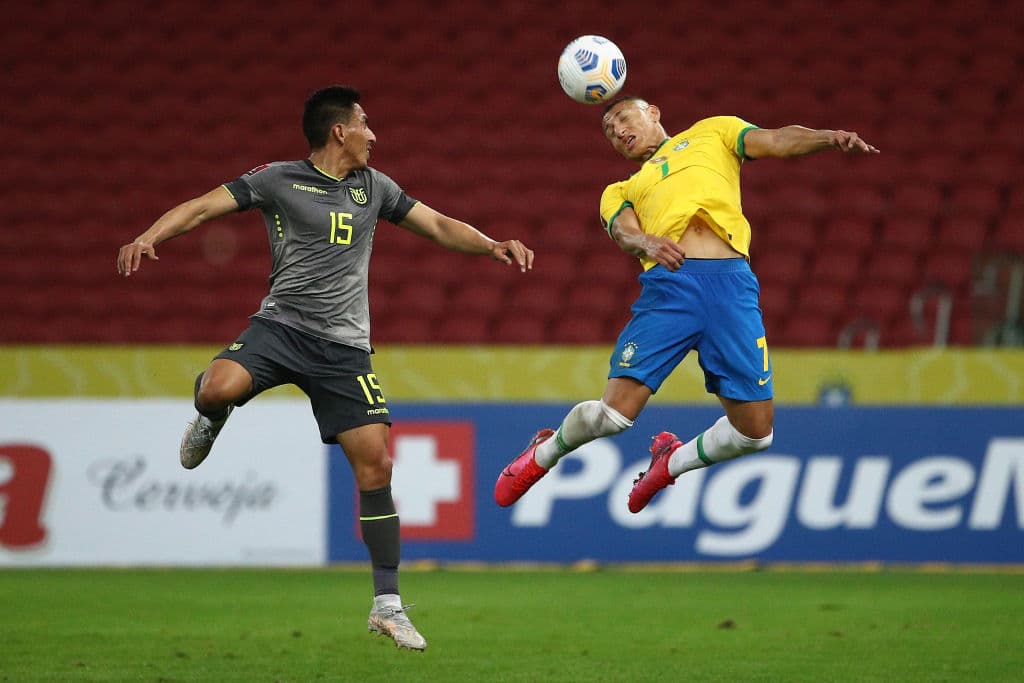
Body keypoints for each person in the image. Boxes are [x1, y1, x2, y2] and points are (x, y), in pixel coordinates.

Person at [117, 85, 534, 651]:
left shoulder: (375, 188)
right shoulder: (276, 179)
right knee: (217, 389)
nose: (374, 134)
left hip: (343, 349)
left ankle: (387, 604)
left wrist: (491, 245)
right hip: (280, 329)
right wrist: (149, 235)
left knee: (377, 468)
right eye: (366, 123)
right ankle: (210, 420)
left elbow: (435, 224)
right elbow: (201, 207)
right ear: (340, 130)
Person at [494, 95, 877, 514]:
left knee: (755, 435)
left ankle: (669, 463)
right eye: (609, 130)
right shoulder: (621, 189)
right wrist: (646, 241)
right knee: (615, 416)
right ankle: (544, 452)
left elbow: (778, 140)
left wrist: (828, 138)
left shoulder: (715, 131)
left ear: (653, 112)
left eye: (623, 117)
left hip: (732, 289)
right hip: (671, 287)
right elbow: (623, 232)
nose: (618, 130)